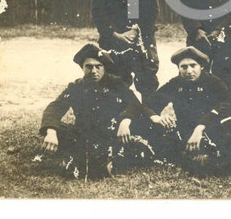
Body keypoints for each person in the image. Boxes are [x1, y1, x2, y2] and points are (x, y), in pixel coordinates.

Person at [36, 43, 150, 179]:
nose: (94, 71)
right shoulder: (76, 87)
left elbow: (134, 104)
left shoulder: (115, 83)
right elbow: (55, 107)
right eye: (88, 67)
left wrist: (125, 121)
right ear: (82, 68)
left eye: (98, 66)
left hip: (113, 132)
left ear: (104, 67)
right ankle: (91, 158)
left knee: (138, 135)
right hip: (85, 134)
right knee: (58, 129)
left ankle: (93, 160)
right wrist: (51, 131)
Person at [137, 47, 231, 170]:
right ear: (179, 68)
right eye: (184, 67)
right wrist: (157, 117)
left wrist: (200, 128)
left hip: (211, 129)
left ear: (201, 66)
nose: (189, 71)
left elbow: (224, 108)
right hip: (185, 131)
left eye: (193, 65)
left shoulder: (214, 83)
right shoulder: (175, 83)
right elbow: (149, 105)